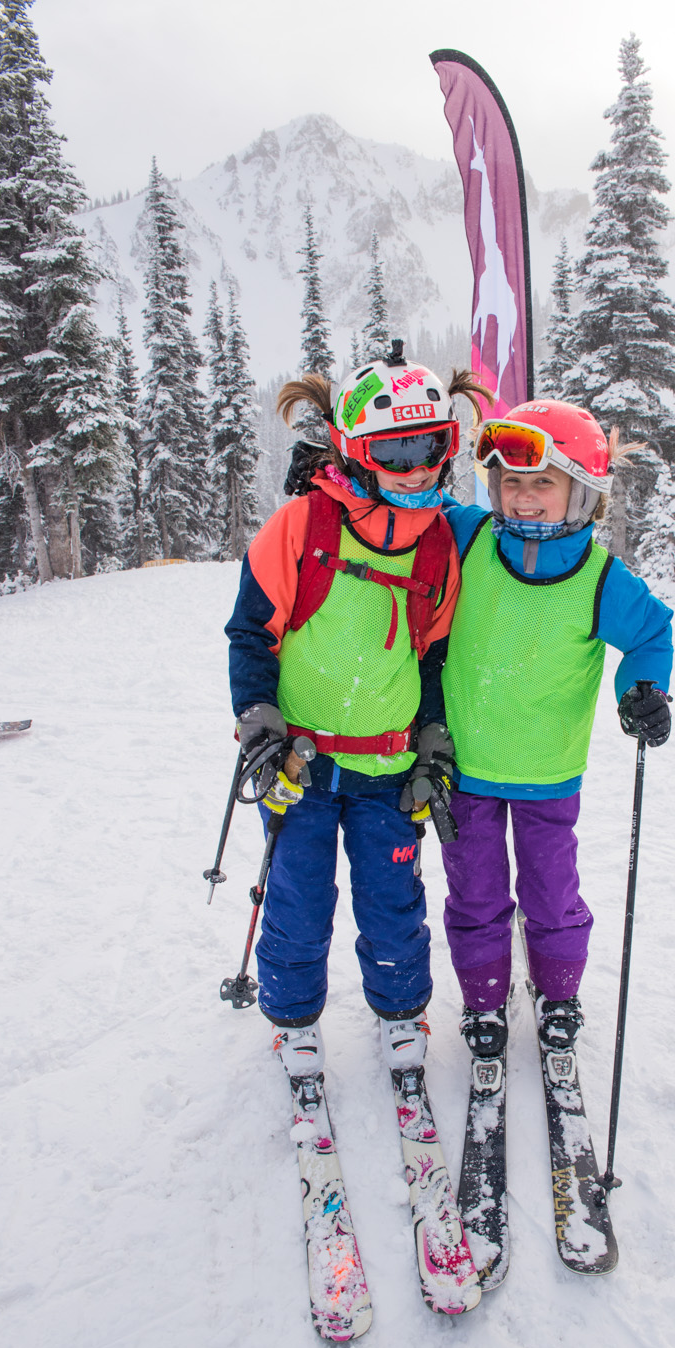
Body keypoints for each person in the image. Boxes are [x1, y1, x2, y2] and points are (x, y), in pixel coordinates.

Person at [224, 345, 490, 1080]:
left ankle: (401, 1013)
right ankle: (293, 1018)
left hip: (388, 765)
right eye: (391, 450)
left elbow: (431, 655)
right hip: (298, 766)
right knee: (296, 899)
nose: (413, 468)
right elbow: (250, 632)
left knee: (392, 902)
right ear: (351, 451)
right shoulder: (298, 528)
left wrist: (433, 735)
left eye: (429, 446)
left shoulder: (440, 542)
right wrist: (258, 718)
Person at [438, 399, 674, 1061]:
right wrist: (332, 479)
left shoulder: (600, 580)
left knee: (550, 895)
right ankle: (484, 998)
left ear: (581, 492)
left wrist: (643, 691)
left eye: (542, 481)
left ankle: (559, 992)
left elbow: (651, 635)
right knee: (476, 895)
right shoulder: (468, 538)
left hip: (547, 773)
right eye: (511, 481)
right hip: (465, 769)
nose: (523, 497)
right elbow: (405, 504)